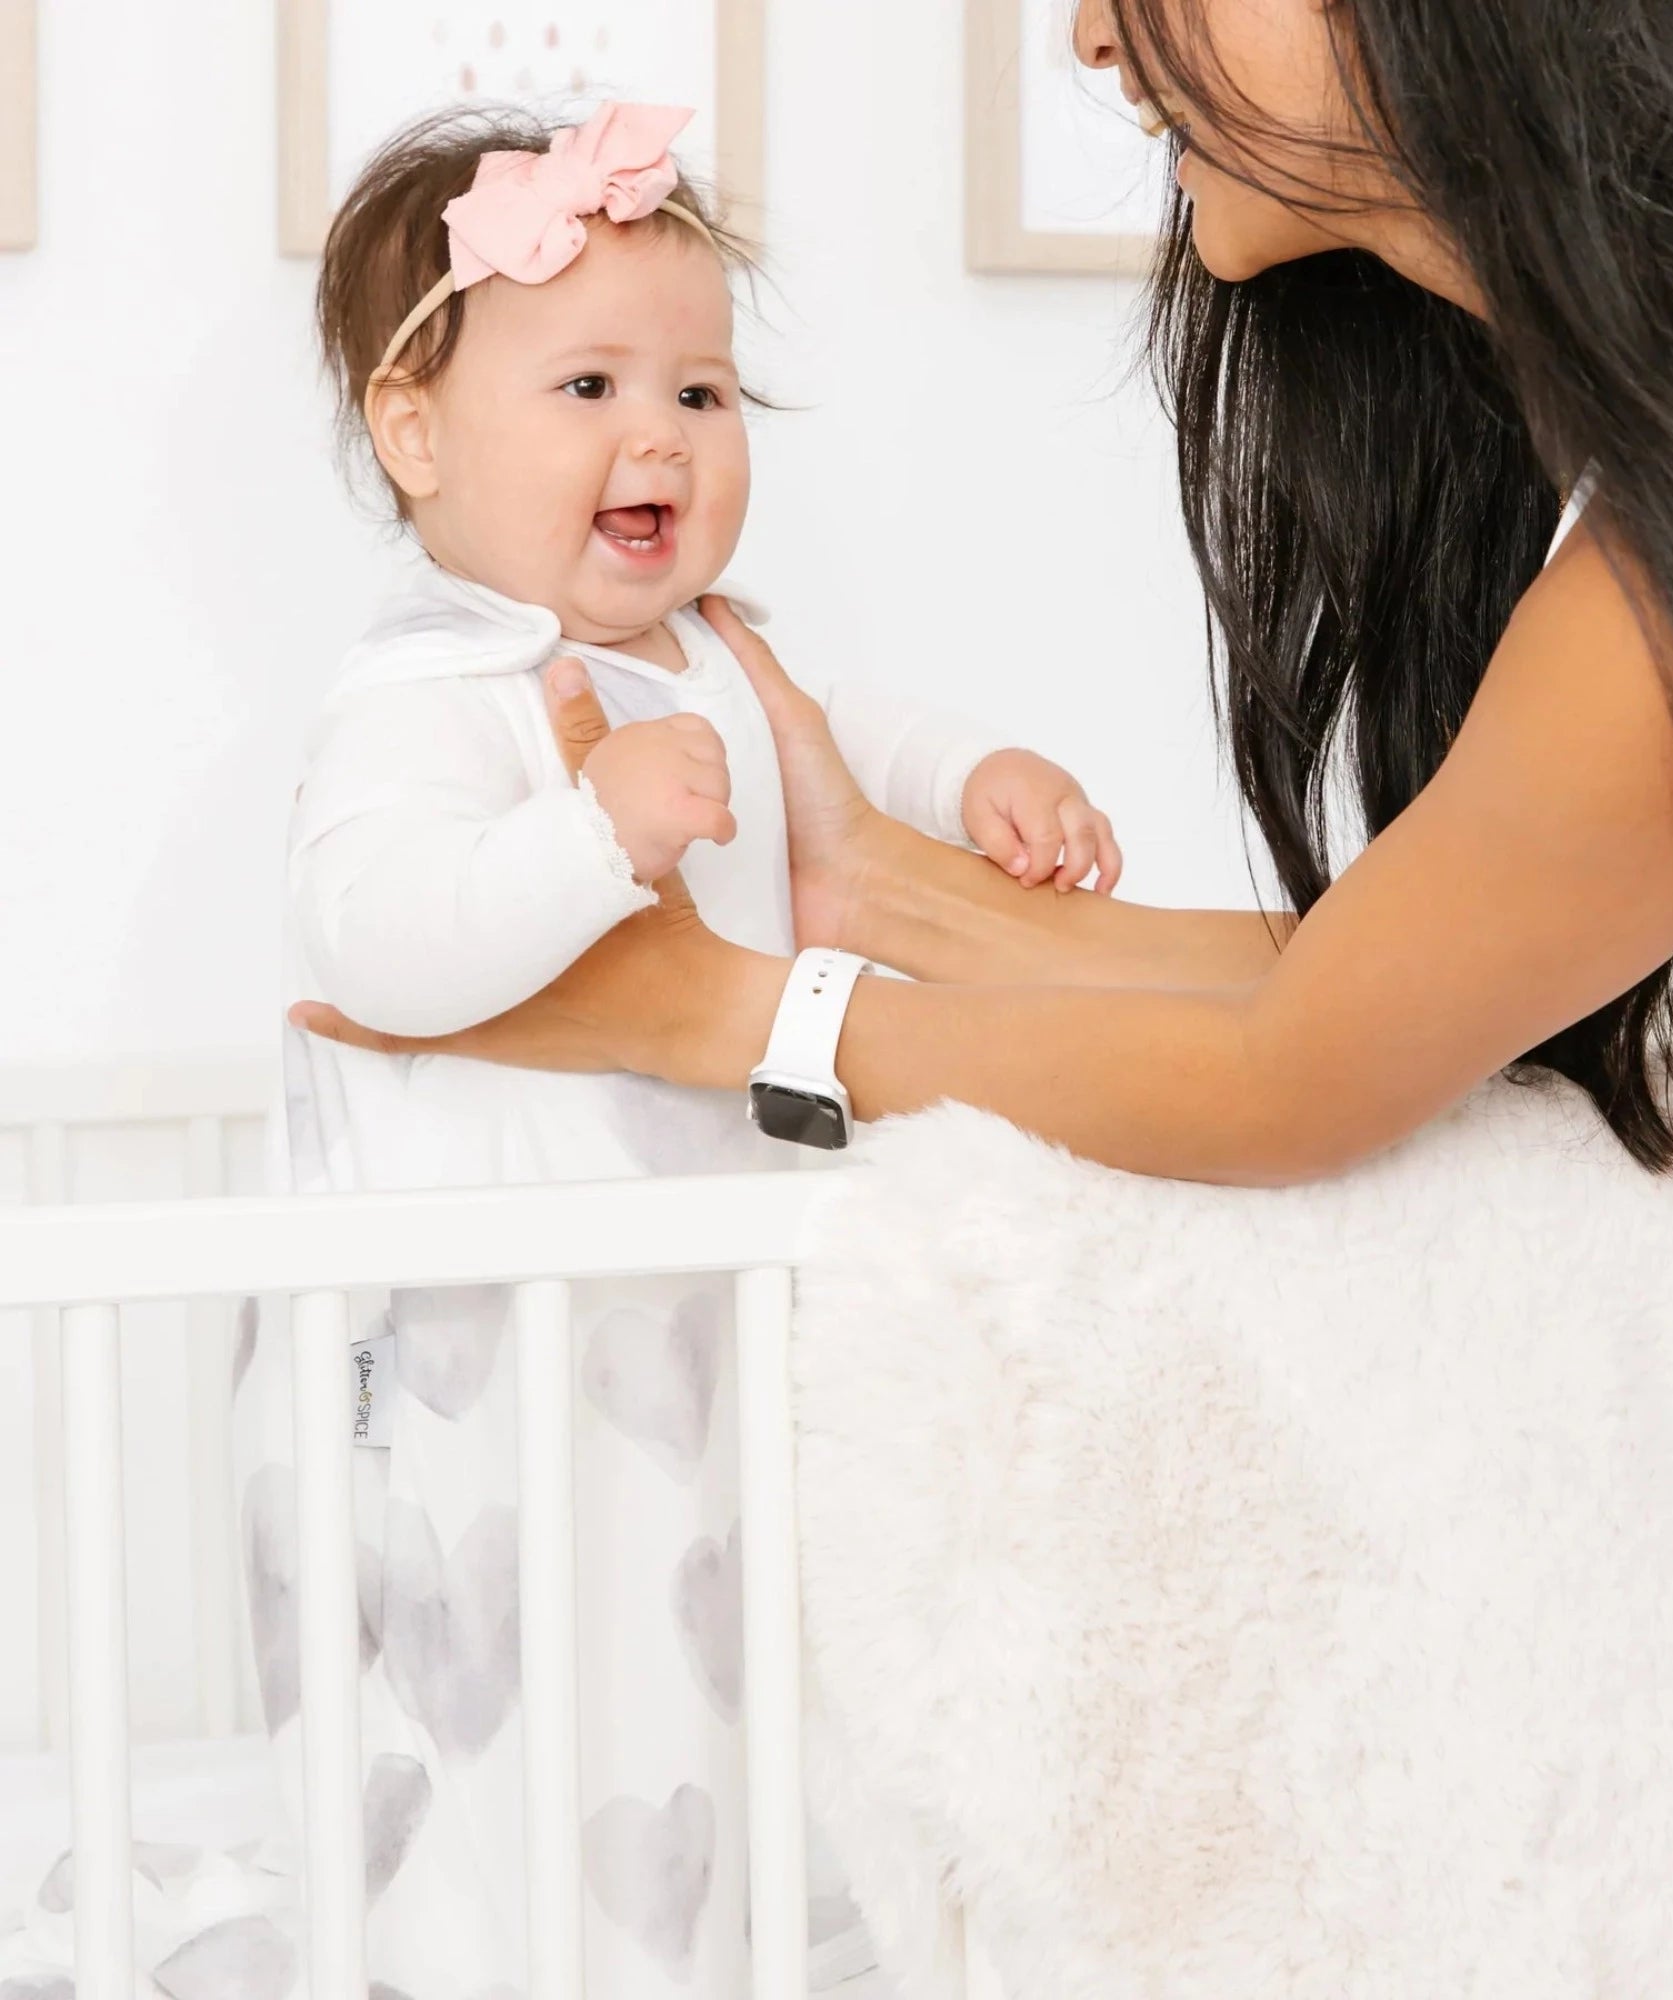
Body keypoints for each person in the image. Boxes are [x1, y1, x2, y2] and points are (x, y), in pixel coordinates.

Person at [294, 2, 1673, 1986]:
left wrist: (714, 1012)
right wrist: (891, 892)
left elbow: (1301, 1068)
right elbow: (1398, 975)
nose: (1091, 34)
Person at [257, 100, 1117, 1996]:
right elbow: (370, 935)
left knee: (702, 1649)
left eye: (704, 393)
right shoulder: (428, 690)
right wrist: (591, 839)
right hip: (475, 1334)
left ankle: (698, 1940)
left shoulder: (714, 653)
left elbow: (847, 746)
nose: (660, 436)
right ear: (416, 435)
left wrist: (977, 776)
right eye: (587, 385)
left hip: (685, 1303)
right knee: (496, 1658)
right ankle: (470, 1954)